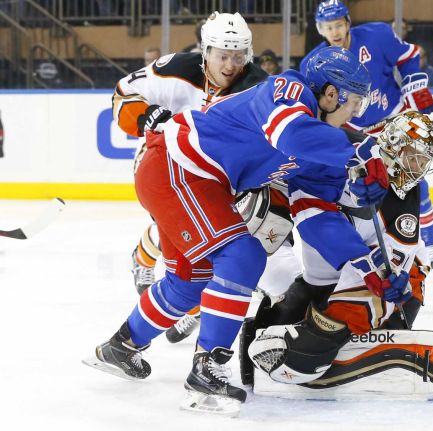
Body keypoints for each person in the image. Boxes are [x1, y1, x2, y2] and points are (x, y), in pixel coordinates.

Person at [84, 46, 393, 415]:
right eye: (354, 103)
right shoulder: (286, 90)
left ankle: (121, 346)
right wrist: (357, 154)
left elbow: (315, 214)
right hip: (178, 164)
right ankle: (205, 374)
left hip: (196, 179)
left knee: (190, 279)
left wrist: (363, 261)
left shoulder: (324, 145)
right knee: (242, 254)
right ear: (330, 94)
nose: (355, 114)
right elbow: (292, 134)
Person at [243, 112, 433, 401]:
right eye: (412, 156)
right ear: (392, 144)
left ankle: (354, 334)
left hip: (376, 276)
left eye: (423, 161)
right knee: (274, 316)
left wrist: (391, 281)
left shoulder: (408, 194)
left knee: (360, 310)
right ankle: (327, 332)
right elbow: (302, 157)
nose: (416, 168)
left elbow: (395, 258)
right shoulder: (344, 153)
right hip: (322, 275)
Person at [113, 12, 277, 343]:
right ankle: (158, 273)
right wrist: (144, 116)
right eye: (222, 56)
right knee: (189, 228)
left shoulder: (257, 86)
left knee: (204, 242)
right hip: (163, 165)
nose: (231, 65)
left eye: (238, 55)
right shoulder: (176, 68)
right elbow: (123, 93)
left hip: (214, 179)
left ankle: (171, 307)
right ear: (206, 52)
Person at [301, 0, 433, 269]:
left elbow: (408, 56)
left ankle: (429, 244)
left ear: (348, 23)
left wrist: (414, 85)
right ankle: (382, 245)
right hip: (355, 134)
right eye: (328, 27)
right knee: (367, 192)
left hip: (394, 122)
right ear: (320, 29)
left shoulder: (376, 35)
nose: (335, 32)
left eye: (338, 25)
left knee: (414, 183)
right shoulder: (315, 62)